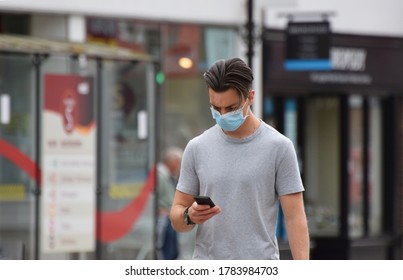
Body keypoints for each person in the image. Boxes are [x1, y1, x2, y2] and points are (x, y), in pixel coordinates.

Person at [170, 57, 310, 260]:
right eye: (216, 109)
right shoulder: (196, 148)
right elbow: (176, 216)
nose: (223, 115)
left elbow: (295, 217)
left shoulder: (280, 147)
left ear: (250, 97)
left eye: (231, 108)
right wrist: (188, 216)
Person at [156, 146, 183, 259]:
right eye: (178, 162)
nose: (179, 166)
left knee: (173, 251)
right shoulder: (160, 174)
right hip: (164, 217)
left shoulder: (168, 175)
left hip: (169, 216)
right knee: (168, 251)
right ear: (171, 161)